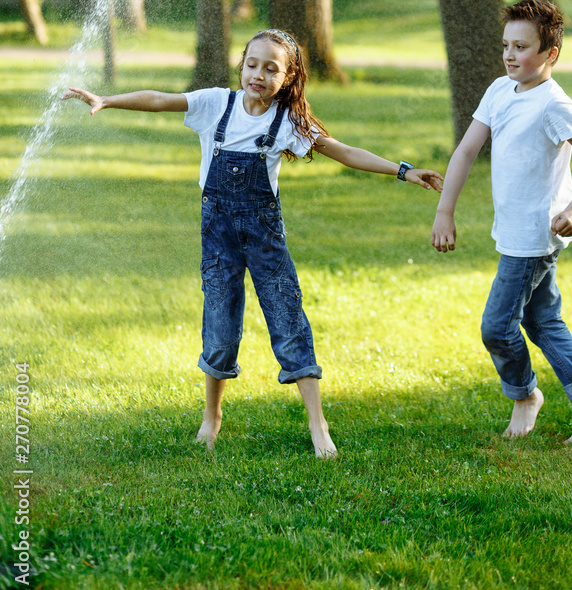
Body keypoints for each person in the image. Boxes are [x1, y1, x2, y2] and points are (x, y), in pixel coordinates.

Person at [63, 28, 443, 459]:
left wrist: (402, 170)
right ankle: (212, 416)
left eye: (271, 69)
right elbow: (159, 98)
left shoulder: (289, 122)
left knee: (287, 319)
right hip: (219, 237)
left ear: (289, 77)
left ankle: (318, 425)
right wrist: (108, 100)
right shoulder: (215, 104)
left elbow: (343, 150)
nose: (258, 75)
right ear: (241, 64)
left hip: (264, 240)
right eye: (252, 64)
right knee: (220, 328)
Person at [431, 0, 572, 444]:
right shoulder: (499, 90)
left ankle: (524, 395)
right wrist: (445, 209)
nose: (510, 55)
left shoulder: (554, 104)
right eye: (506, 46)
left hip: (535, 236)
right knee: (542, 320)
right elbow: (467, 151)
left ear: (550, 53)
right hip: (513, 231)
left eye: (521, 47)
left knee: (497, 327)